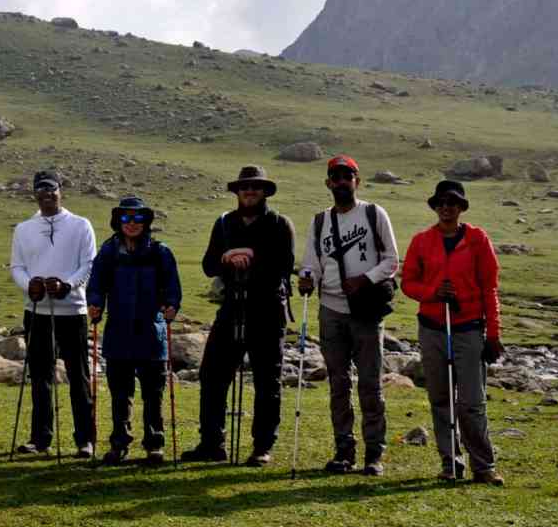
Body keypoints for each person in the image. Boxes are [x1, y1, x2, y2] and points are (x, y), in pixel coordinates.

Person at [181, 165, 295, 465]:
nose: (250, 191)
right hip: (231, 308)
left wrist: (251, 258)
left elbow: (283, 267)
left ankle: (262, 446)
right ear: (237, 191)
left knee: (267, 380)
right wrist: (225, 258)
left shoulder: (280, 224)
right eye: (245, 187)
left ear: (265, 191)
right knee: (212, 375)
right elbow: (208, 265)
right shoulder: (223, 224)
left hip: (268, 310)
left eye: (256, 187)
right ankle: (212, 444)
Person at [298, 155, 399, 476]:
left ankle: (374, 454)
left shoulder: (373, 213)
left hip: (366, 310)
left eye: (348, 176)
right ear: (328, 183)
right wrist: (306, 277)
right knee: (338, 383)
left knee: (370, 383)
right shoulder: (319, 222)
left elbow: (392, 260)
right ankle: (344, 451)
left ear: (358, 181)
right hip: (330, 310)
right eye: (335, 177)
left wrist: (364, 279)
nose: (342, 182)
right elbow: (311, 263)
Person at [401, 181, 505, 485]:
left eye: (453, 202)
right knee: (441, 398)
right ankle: (451, 464)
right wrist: (434, 292)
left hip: (469, 328)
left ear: (461, 207)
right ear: (435, 206)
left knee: (472, 401)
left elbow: (490, 288)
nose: (447, 207)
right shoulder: (422, 241)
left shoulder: (477, 239)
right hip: (433, 328)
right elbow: (408, 283)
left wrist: (494, 334)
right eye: (442, 202)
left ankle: (483, 466)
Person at [86, 196, 182, 465]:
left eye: (138, 218)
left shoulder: (160, 252)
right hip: (118, 331)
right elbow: (96, 284)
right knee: (120, 394)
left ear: (146, 221)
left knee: (154, 394)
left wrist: (172, 305)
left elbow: (172, 287)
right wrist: (95, 304)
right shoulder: (108, 251)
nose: (131, 223)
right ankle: (119, 444)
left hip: (152, 332)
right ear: (118, 221)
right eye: (126, 218)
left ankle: (154, 445)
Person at [11, 170, 97, 457]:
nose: (46, 194)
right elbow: (17, 267)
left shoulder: (80, 224)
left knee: (78, 375)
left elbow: (88, 263)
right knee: (40, 376)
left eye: (51, 189)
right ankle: (40, 439)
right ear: (34, 193)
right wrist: (29, 285)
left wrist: (68, 285)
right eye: (40, 190)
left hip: (72, 309)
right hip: (36, 310)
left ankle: (85, 439)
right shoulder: (23, 228)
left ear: (61, 190)